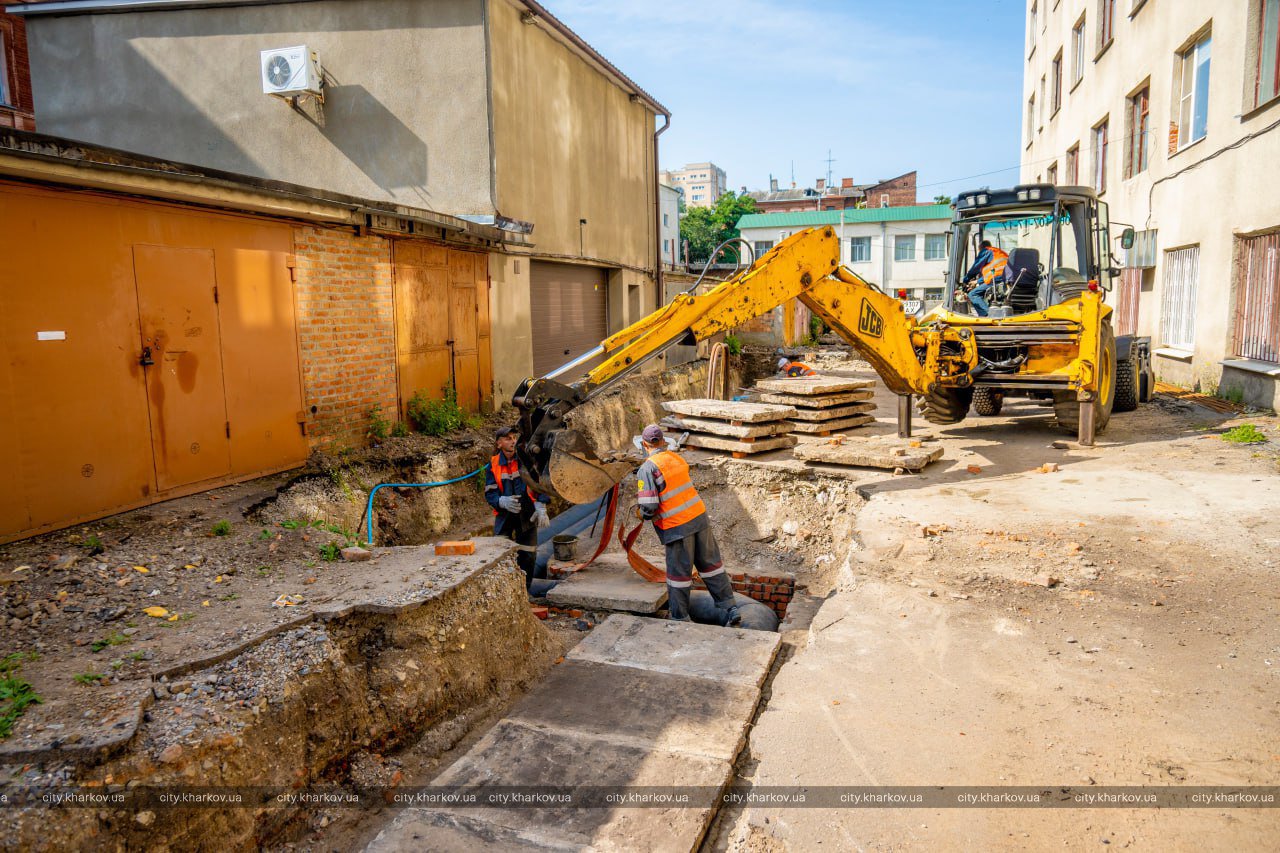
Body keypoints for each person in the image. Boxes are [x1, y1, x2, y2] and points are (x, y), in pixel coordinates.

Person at [635, 424, 741, 625]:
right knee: (712, 566)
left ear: (644, 444)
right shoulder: (676, 458)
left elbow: (649, 507)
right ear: (663, 441)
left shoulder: (647, 468)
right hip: (699, 518)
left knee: (679, 575)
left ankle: (679, 618)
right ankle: (730, 607)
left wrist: (640, 513)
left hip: (677, 527)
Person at [484, 426, 550, 592]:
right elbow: (490, 492)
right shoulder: (492, 465)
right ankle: (501, 591)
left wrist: (541, 505)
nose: (513, 441)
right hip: (505, 513)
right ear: (499, 444)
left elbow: (540, 483)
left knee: (528, 553)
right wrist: (500, 501)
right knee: (498, 552)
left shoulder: (526, 459)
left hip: (527, 512)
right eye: (507, 438)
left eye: (514, 437)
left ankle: (525, 592)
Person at [959, 239, 1009, 317]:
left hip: (996, 278)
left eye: (979, 250)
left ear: (981, 248)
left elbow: (976, 267)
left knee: (973, 294)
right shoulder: (998, 252)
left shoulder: (986, 251)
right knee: (981, 293)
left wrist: (966, 280)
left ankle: (988, 315)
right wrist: (978, 281)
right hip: (1004, 278)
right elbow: (992, 271)